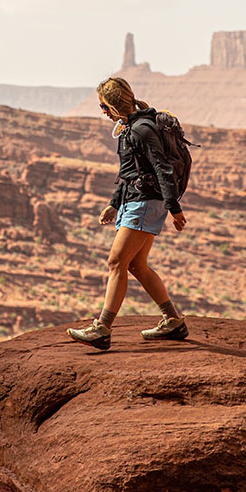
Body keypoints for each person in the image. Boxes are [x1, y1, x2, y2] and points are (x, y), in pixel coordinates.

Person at [68, 77, 188, 350]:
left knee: (116, 262)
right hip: (135, 201)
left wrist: (174, 207)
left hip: (145, 203)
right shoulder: (128, 128)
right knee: (136, 265)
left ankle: (102, 329)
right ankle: (173, 321)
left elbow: (162, 169)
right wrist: (114, 203)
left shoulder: (142, 129)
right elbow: (129, 173)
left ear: (114, 103)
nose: (103, 111)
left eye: (103, 106)